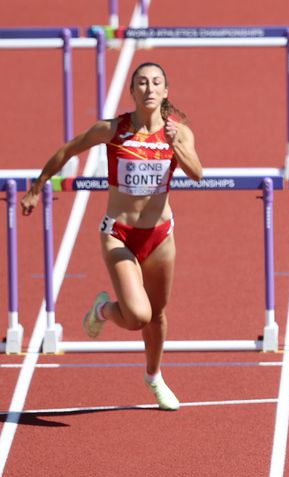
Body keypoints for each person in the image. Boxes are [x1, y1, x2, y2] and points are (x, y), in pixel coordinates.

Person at [20, 62, 203, 411]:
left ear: (165, 91)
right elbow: (68, 150)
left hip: (161, 235)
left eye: (156, 83)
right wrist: (37, 186)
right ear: (132, 91)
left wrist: (179, 146)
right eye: (142, 83)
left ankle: (154, 376)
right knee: (137, 316)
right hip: (118, 233)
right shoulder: (113, 129)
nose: (149, 89)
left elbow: (197, 173)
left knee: (158, 313)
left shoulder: (179, 132)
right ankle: (103, 309)